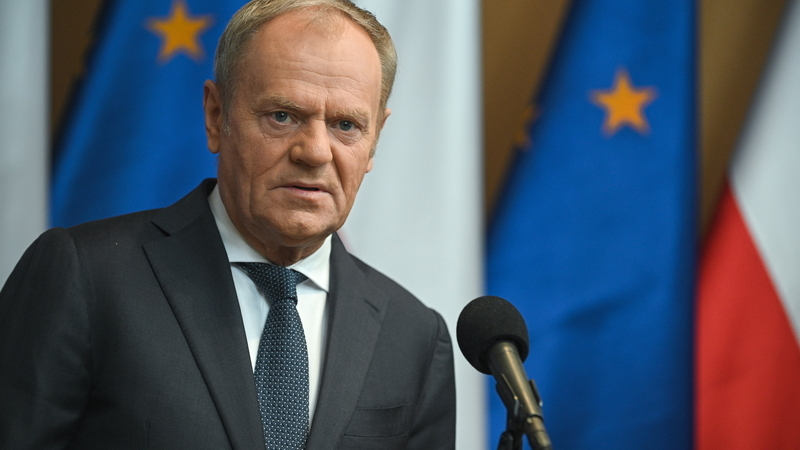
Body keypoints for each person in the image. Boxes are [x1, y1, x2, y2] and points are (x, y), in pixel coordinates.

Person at [0, 0, 456, 449]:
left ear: (375, 139)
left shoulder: (414, 337)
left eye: (346, 125)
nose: (315, 151)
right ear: (216, 116)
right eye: (282, 116)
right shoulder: (85, 278)